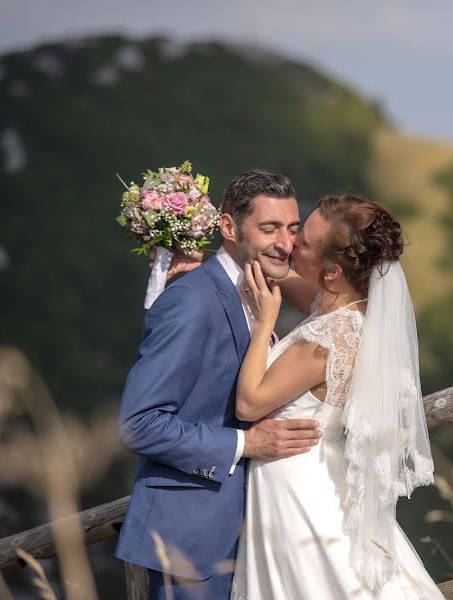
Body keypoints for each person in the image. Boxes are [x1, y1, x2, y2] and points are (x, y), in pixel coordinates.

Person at [115, 170, 323, 600]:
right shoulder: (192, 301)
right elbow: (140, 423)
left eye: (292, 229)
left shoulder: (258, 288)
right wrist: (246, 445)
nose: (285, 243)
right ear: (228, 227)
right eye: (269, 229)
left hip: (254, 532)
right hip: (195, 539)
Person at [229, 194, 442, 599]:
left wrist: (265, 325)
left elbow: (249, 404)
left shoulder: (325, 340)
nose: (291, 245)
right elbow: (279, 279)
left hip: (296, 489)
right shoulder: (352, 313)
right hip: (323, 473)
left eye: (303, 243)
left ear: (332, 272)